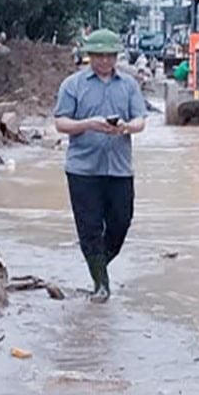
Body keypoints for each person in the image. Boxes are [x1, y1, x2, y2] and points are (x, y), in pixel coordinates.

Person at [52, 30, 149, 302]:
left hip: (119, 168)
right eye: (99, 56)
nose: (104, 61)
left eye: (109, 56)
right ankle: (101, 285)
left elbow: (140, 120)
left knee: (121, 222)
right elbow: (61, 122)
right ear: (89, 56)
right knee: (89, 226)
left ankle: (98, 266)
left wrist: (128, 128)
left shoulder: (128, 85)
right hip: (83, 169)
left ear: (116, 57)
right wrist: (88, 124)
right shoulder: (73, 85)